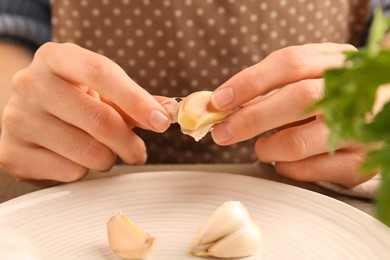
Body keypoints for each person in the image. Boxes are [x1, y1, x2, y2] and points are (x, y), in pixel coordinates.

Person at [0, 0, 384, 188]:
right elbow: (14, 26)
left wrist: (379, 94)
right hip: (90, 190)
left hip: (317, 192)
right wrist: (20, 112)